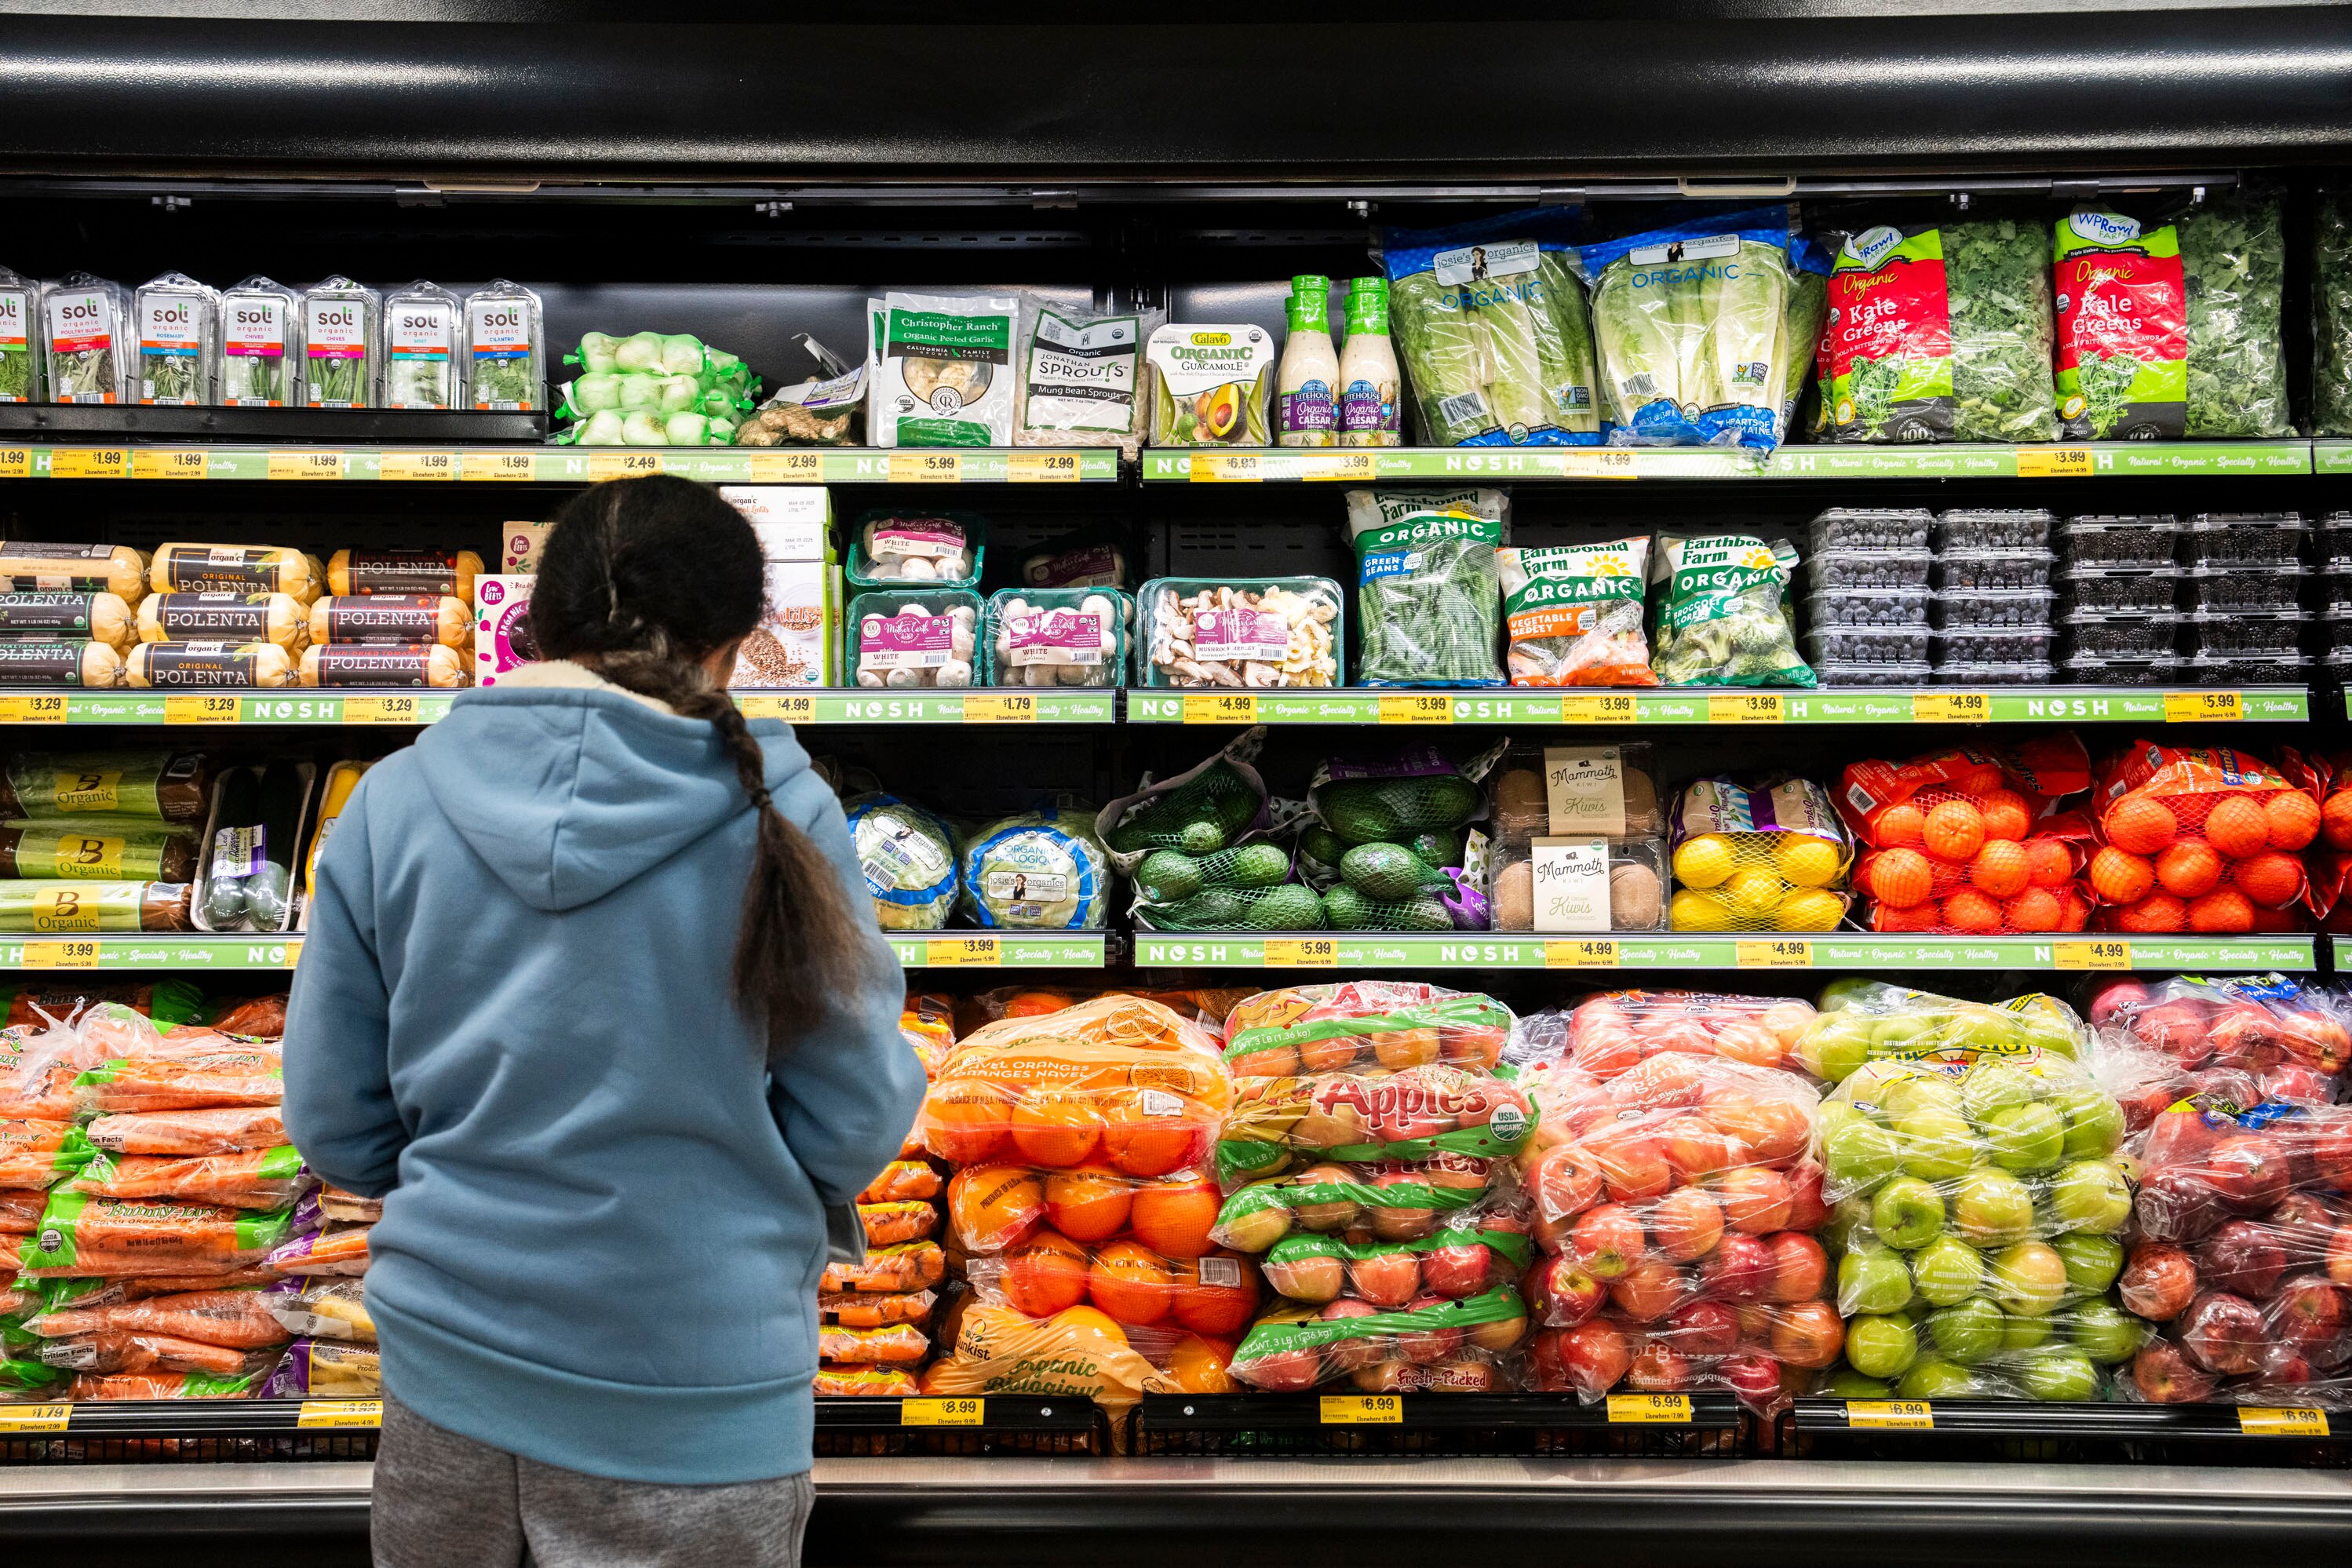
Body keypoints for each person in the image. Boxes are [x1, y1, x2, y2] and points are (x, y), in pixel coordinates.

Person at [284, 475, 922, 1568]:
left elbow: (336, 1121)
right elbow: (857, 1112)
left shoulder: (391, 799)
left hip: (450, 1376)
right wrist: (743, 1193)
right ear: (734, 642)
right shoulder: (783, 806)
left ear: (537, 620)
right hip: (703, 1388)